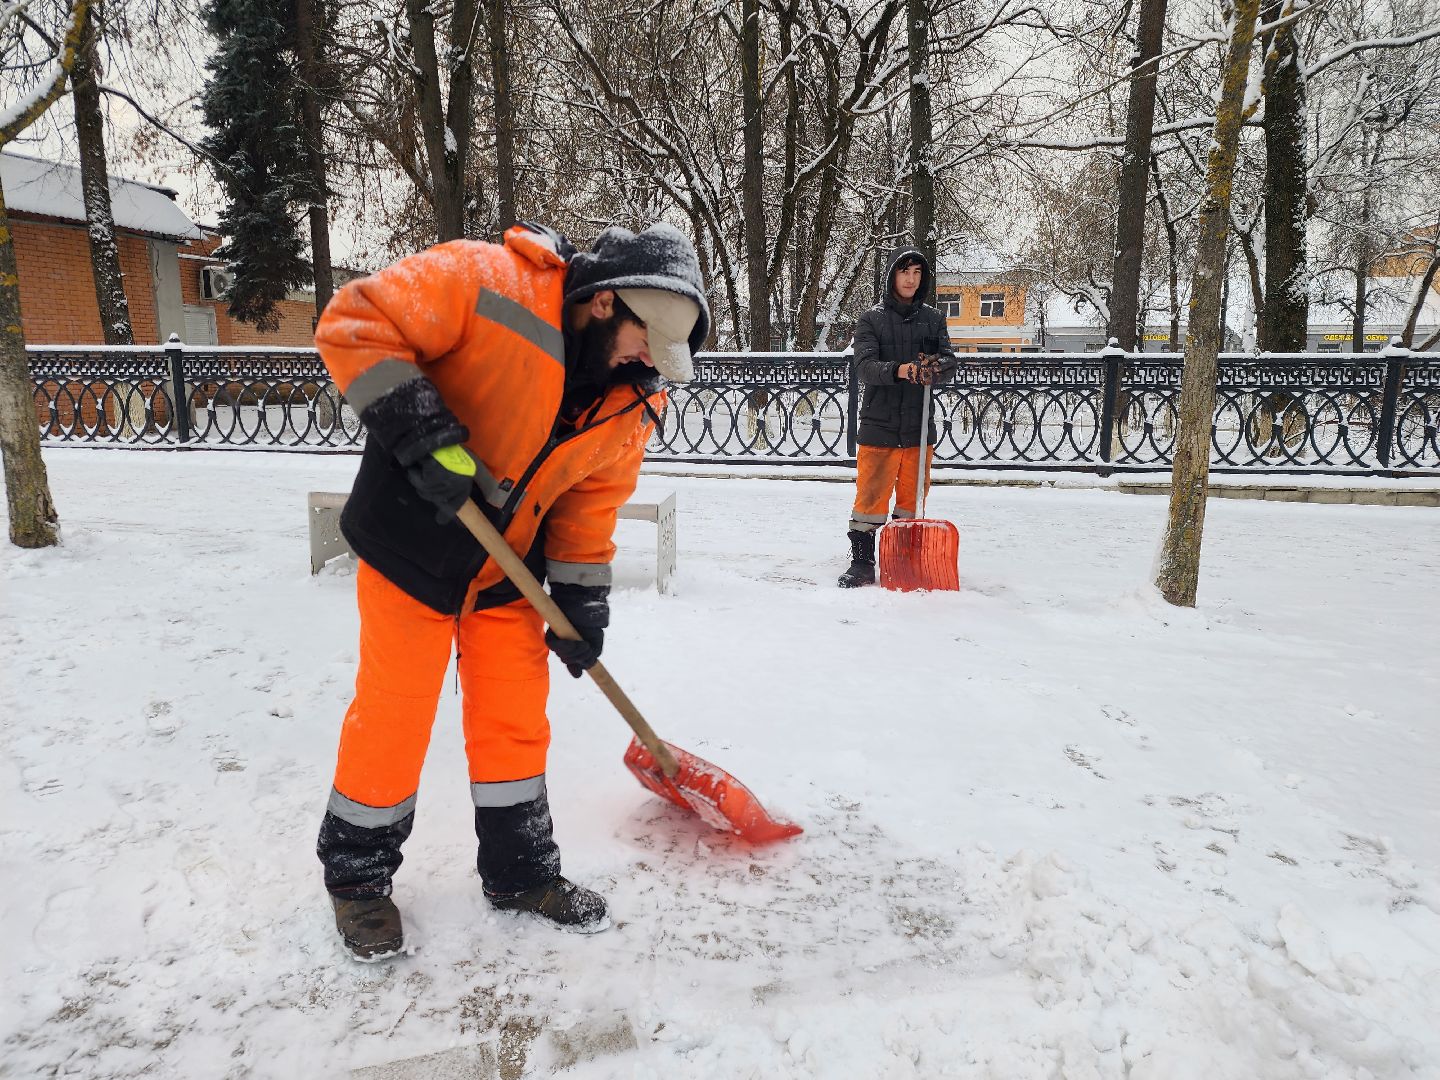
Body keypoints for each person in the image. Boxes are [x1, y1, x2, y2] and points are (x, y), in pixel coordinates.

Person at [312, 221, 709, 960]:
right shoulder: (488, 283)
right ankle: (359, 880)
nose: (645, 363)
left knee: (515, 722)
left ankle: (521, 872)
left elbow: (590, 508)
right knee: (395, 715)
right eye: (643, 341)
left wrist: (583, 603)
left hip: (506, 572)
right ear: (604, 307)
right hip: (411, 544)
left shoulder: (629, 402)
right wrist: (420, 432)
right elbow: (356, 320)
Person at [839, 249, 957, 588]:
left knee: (911, 498)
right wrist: (903, 370)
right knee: (870, 496)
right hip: (880, 424)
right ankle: (862, 561)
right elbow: (864, 367)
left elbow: (948, 359)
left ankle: (902, 557)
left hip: (919, 425)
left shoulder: (933, 319)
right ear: (892, 275)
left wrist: (938, 369)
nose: (911, 278)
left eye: (917, 272)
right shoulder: (871, 319)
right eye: (905, 271)